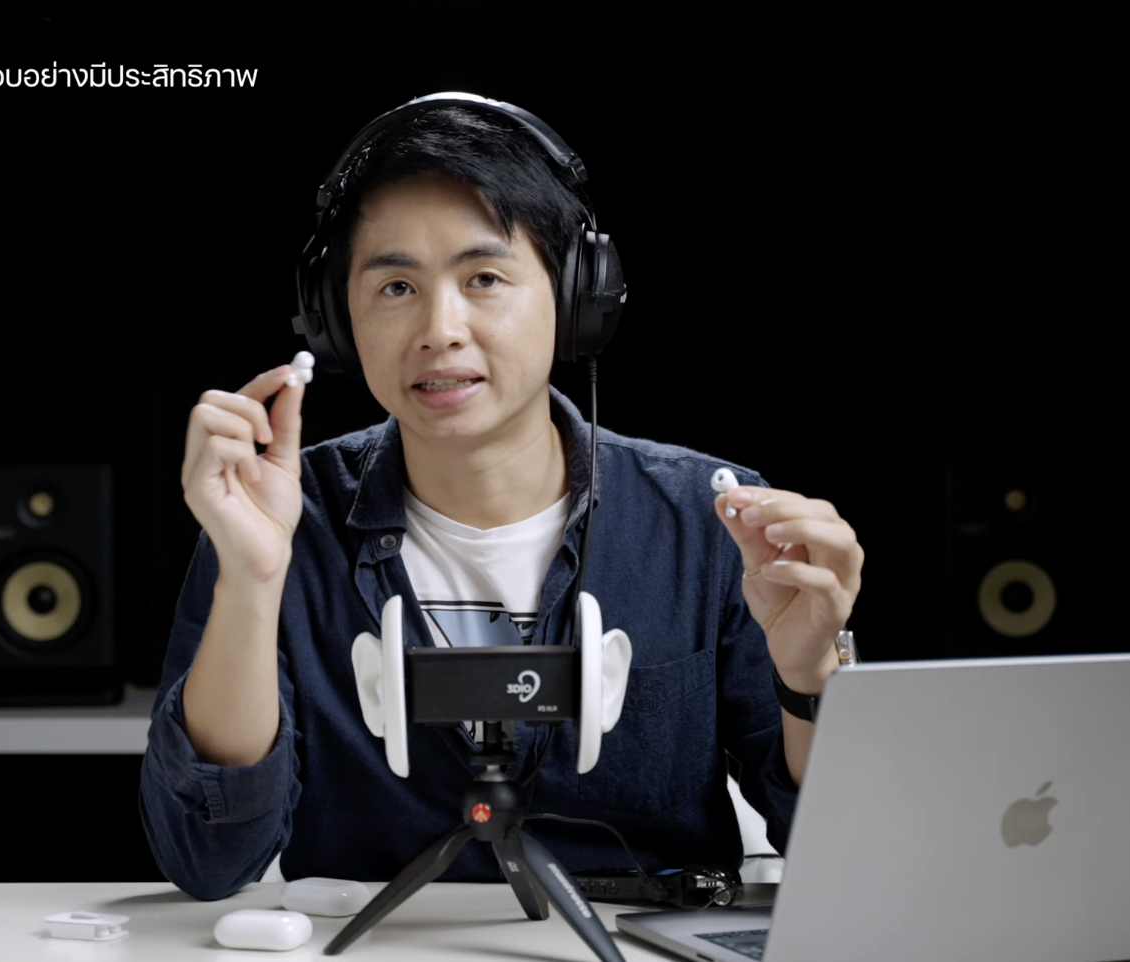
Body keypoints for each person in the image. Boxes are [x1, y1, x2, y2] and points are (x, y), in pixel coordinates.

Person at [139, 93, 863, 901]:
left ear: (578, 297)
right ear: (336, 319)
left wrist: (810, 674)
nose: (440, 329)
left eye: (484, 278)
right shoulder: (277, 515)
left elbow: (849, 850)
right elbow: (210, 861)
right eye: (396, 287)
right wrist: (250, 580)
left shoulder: (710, 520)